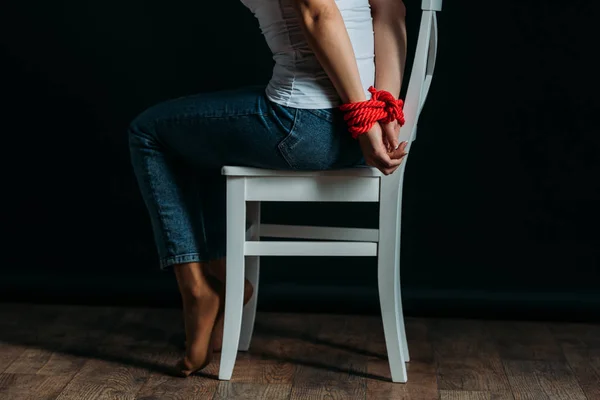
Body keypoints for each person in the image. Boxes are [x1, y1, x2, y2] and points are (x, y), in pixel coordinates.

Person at [128, 0, 408, 377]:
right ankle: (224, 274)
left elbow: (318, 12)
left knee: (148, 132)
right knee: (202, 136)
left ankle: (199, 288)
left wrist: (363, 119)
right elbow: (391, 10)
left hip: (309, 124)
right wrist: (383, 112)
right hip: (363, 137)